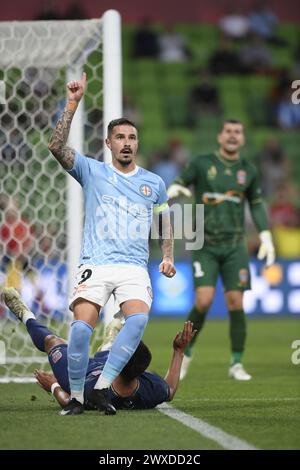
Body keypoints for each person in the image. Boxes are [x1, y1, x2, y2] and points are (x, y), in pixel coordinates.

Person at [48, 73, 176, 415]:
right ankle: (76, 398)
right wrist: (73, 103)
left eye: (132, 137)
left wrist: (166, 257)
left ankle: (102, 388)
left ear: (137, 142)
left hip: (134, 267)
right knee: (79, 330)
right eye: (119, 137)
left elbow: (165, 221)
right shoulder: (92, 171)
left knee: (136, 322)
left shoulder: (154, 182)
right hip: (97, 262)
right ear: (108, 143)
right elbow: (56, 147)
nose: (127, 143)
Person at [167, 119, 275, 381]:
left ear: (243, 139)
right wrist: (175, 188)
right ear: (220, 137)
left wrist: (266, 235)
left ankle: (236, 363)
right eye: (228, 131)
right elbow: (179, 182)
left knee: (235, 302)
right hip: (203, 241)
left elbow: (257, 204)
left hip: (235, 244)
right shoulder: (203, 163)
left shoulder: (247, 170)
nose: (233, 136)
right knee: (203, 300)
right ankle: (186, 353)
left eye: (238, 132)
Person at [2, 287, 193, 411]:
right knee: (105, 351)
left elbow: (69, 400)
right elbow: (170, 389)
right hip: (106, 364)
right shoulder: (150, 388)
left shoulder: (94, 392)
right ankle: (110, 340)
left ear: (118, 362)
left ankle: (25, 314)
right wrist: (178, 351)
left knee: (52, 340)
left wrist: (53, 385)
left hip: (80, 373)